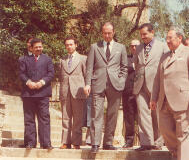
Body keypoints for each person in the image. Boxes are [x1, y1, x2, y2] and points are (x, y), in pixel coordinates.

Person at [150, 26, 189, 160]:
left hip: (185, 101)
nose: (167, 41)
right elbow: (157, 79)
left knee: (185, 134)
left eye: (170, 38)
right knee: (165, 131)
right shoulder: (164, 56)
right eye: (166, 38)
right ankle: (177, 154)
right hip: (164, 102)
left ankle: (182, 157)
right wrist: (153, 98)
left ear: (180, 38)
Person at [84, 22, 128, 153]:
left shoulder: (121, 47)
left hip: (115, 85)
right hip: (98, 84)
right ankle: (95, 143)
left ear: (114, 32)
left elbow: (124, 67)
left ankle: (108, 142)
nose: (107, 35)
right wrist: (87, 83)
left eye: (109, 33)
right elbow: (89, 67)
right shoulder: (94, 47)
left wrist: (121, 80)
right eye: (104, 33)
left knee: (112, 114)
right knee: (96, 114)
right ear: (102, 33)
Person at [133, 23, 167, 151]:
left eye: (145, 34)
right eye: (141, 35)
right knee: (143, 113)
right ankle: (146, 142)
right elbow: (137, 64)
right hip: (140, 85)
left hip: (156, 84)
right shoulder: (138, 48)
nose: (143, 37)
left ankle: (158, 142)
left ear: (152, 32)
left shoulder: (163, 46)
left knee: (157, 114)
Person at [19, 38, 55, 149]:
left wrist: (42, 82)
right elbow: (21, 74)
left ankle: (46, 143)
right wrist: (28, 82)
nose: (39, 49)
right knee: (29, 118)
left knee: (44, 118)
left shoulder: (47, 59)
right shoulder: (23, 59)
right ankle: (30, 142)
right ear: (31, 48)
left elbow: (51, 73)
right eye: (36, 47)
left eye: (40, 46)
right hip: (28, 93)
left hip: (43, 93)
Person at [59, 36, 87, 149]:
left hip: (78, 91)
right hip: (65, 92)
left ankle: (76, 142)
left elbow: (86, 75)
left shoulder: (83, 58)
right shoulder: (62, 60)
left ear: (76, 45)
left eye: (71, 44)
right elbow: (61, 76)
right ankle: (65, 142)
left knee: (78, 118)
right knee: (65, 118)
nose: (69, 46)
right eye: (67, 45)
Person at [122, 39, 140, 148]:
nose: (134, 48)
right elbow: (123, 68)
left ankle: (145, 141)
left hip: (141, 92)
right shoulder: (126, 59)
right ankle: (129, 141)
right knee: (129, 117)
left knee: (143, 118)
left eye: (136, 46)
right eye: (132, 46)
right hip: (128, 92)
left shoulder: (144, 59)